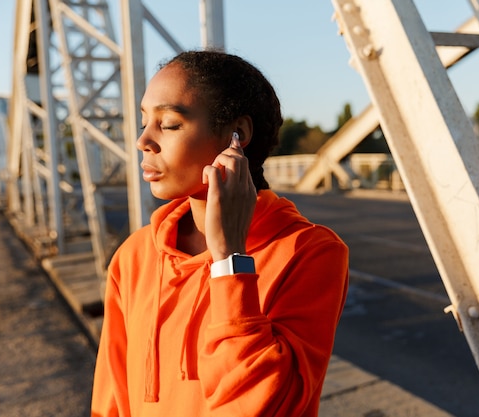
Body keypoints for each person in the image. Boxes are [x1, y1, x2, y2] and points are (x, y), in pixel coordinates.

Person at [91, 50, 349, 416]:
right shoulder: (134, 255)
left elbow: (266, 405)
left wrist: (229, 261)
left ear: (237, 135)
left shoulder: (309, 252)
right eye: (144, 121)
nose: (143, 141)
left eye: (170, 124)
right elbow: (110, 400)